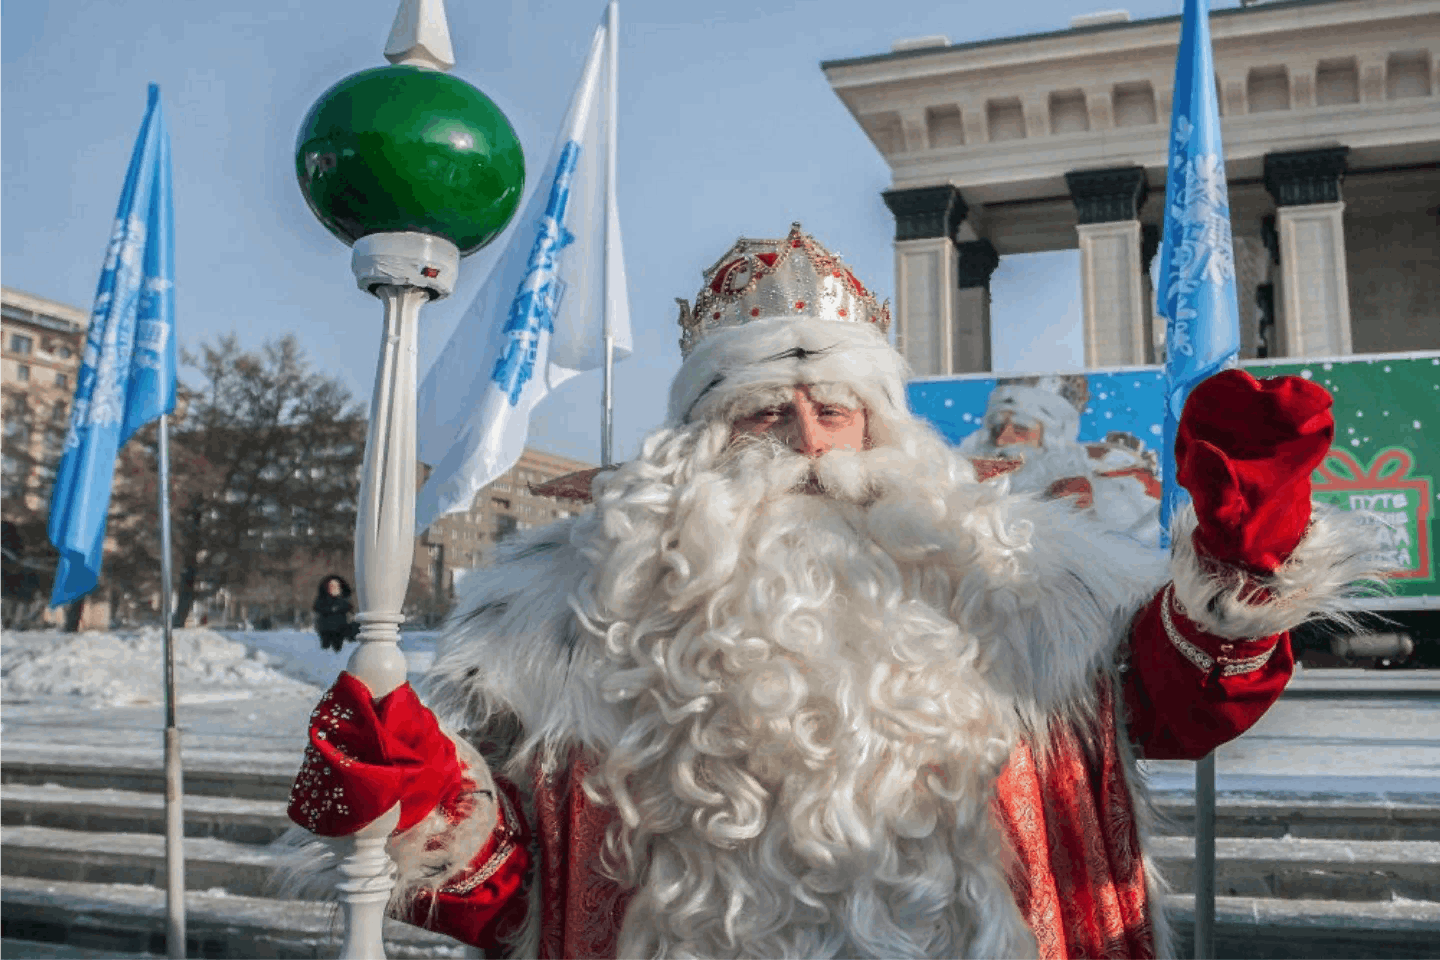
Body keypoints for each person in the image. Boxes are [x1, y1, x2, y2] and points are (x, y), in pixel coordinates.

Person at [284, 224, 1384, 959]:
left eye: (837, 410)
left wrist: (1238, 566)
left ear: (885, 425)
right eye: (767, 411)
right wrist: (424, 806)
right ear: (701, 439)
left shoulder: (1024, 580)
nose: (809, 444)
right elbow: (522, 896)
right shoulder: (560, 627)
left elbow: (1178, 708)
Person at [311, 575, 358, 652]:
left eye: (335, 586)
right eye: (331, 586)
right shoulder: (322, 599)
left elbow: (350, 610)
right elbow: (317, 609)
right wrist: (331, 609)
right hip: (326, 630)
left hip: (340, 630)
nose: (332, 588)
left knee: (339, 649)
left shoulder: (343, 599)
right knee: (326, 650)